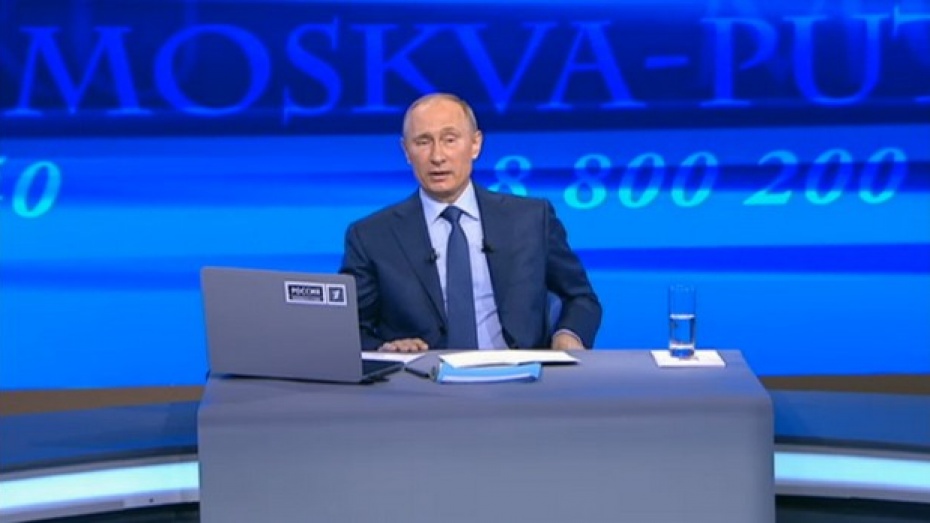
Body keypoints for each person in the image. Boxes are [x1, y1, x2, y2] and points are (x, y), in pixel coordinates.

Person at [340, 93, 601, 352]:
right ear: (406, 151)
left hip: (521, 372)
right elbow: (350, 328)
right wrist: (385, 349)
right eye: (423, 142)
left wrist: (568, 336)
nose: (437, 156)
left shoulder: (531, 219)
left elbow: (580, 298)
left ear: (475, 144)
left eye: (450, 139)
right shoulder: (371, 236)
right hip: (422, 375)